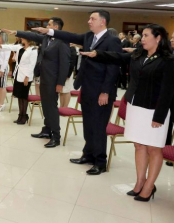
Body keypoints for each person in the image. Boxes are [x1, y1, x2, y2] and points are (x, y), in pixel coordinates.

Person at [82, 24, 174, 201]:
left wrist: (159, 116)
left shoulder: (168, 61)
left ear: (158, 38)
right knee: (139, 145)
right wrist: (97, 53)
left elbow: (168, 91)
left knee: (153, 148)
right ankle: (140, 181)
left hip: (154, 110)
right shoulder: (138, 55)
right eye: (143, 35)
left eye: (147, 35)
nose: (143, 38)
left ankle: (149, 185)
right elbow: (118, 57)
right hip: (136, 107)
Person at [32, 9, 121, 175]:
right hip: (87, 87)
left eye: (92, 19)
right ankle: (88, 155)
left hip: (101, 91)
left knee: (98, 126)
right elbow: (71, 36)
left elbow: (113, 68)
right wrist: (50, 31)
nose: (89, 21)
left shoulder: (112, 40)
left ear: (103, 22)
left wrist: (105, 92)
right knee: (88, 124)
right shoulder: (88, 36)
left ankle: (100, 161)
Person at [3, 17, 70, 148]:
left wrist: (60, 83)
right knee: (45, 105)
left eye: (49, 24)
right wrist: (16, 32)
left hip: (53, 80)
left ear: (56, 27)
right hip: (44, 78)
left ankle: (56, 136)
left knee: (51, 107)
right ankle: (46, 130)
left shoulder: (62, 42)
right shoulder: (46, 39)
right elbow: (32, 35)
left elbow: (65, 64)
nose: (46, 26)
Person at [1, 38, 38, 124]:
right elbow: (8, 47)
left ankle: (24, 116)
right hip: (18, 74)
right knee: (18, 95)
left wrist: (27, 77)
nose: (21, 39)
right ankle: (20, 115)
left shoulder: (33, 50)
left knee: (23, 96)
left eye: (23, 38)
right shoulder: (20, 48)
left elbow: (32, 65)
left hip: (26, 76)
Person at [165, 28, 174, 166]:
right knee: (167, 124)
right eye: (172, 38)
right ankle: (166, 149)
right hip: (168, 96)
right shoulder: (170, 53)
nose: (172, 40)